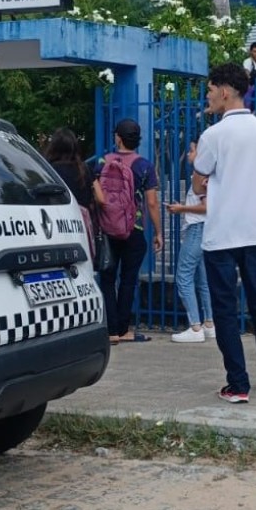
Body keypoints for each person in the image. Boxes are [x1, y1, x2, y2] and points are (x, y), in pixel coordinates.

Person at [193, 63, 256, 403]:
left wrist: (204, 183)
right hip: (255, 231)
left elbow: (200, 179)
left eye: (211, 89)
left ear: (225, 91)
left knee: (226, 310)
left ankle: (238, 383)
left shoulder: (213, 135)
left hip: (222, 234)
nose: (209, 96)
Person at [94, 119, 163, 345]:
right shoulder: (144, 166)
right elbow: (152, 203)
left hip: (107, 228)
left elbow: (95, 193)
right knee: (128, 280)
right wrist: (158, 232)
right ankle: (123, 329)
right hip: (134, 228)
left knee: (107, 278)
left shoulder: (103, 162)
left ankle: (110, 330)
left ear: (118, 138)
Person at [166, 136, 215, 343]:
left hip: (196, 229)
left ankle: (195, 326)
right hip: (203, 229)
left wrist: (181, 209)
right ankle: (209, 323)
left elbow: (206, 207)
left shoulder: (200, 174)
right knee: (202, 279)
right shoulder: (209, 174)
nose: (188, 154)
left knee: (183, 276)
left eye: (192, 150)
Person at [43, 127, 94, 208]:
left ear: (53, 147)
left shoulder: (48, 171)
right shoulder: (85, 169)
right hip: (82, 217)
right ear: (74, 147)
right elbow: (99, 197)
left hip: (59, 215)